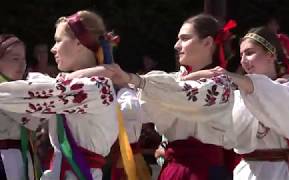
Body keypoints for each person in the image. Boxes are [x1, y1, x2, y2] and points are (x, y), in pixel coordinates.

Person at [68, 13, 237, 180]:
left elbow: (181, 93)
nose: (177, 45)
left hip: (201, 173)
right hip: (174, 169)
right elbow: (138, 108)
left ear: (207, 43)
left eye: (185, 38)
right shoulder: (173, 80)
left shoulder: (220, 83)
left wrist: (131, 79)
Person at [0, 10, 124, 180]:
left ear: (79, 43)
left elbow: (22, 94)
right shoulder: (90, 83)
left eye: (58, 41)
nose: (53, 49)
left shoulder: (96, 88)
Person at [184, 26, 289, 179]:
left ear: (270, 54)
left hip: (282, 172)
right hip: (247, 172)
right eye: (241, 55)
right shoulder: (239, 95)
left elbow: (270, 93)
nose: (243, 61)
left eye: (249, 53)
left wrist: (229, 76)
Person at [0, 34, 43, 180]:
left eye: (23, 59)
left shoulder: (16, 88)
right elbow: (35, 120)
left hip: (19, 156)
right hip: (7, 159)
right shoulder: (3, 90)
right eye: (15, 59)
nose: (22, 64)